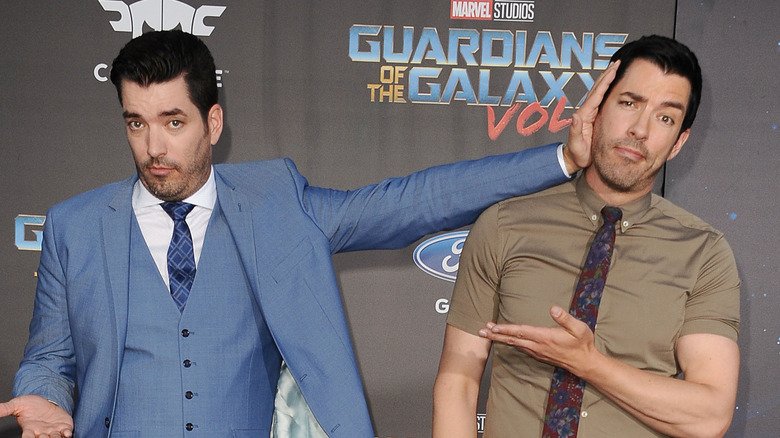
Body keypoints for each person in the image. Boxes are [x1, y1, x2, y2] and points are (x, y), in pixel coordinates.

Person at [0, 30, 594, 437]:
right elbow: (50, 355)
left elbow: (412, 201)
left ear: (213, 122)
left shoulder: (278, 203)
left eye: (173, 122)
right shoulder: (75, 227)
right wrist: (45, 397)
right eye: (137, 123)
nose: (154, 148)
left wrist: (560, 158)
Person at [433, 35, 740, 438]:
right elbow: (459, 380)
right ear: (596, 108)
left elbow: (709, 415)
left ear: (679, 142)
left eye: (665, 118)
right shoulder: (505, 225)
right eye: (629, 103)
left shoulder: (703, 252)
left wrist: (589, 363)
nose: (640, 130)